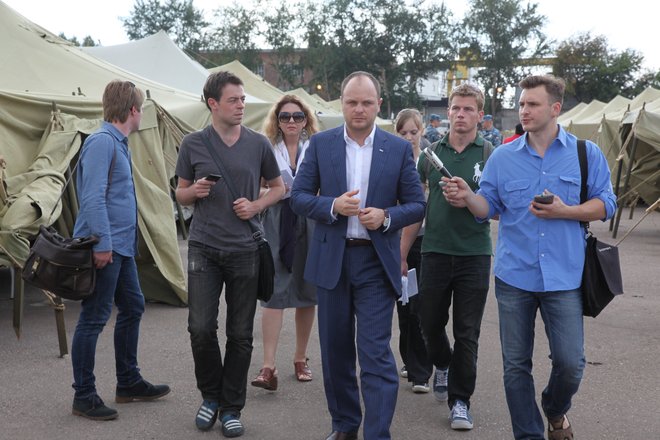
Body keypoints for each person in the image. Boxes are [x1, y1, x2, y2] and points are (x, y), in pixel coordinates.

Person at [443, 74, 617, 440]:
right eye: (521, 103)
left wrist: (565, 211)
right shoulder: (503, 156)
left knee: (571, 363)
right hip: (514, 276)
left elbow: (607, 204)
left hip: (565, 276)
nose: (524, 110)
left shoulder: (585, 154)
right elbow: (488, 208)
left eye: (532, 104)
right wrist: (467, 196)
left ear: (555, 109)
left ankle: (554, 408)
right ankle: (529, 434)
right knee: (515, 366)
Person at [290, 71, 425, 440]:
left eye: (366, 102)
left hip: (375, 262)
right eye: (352, 102)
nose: (359, 109)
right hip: (332, 261)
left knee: (375, 354)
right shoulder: (321, 144)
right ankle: (345, 426)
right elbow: (298, 197)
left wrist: (387, 216)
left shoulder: (397, 149)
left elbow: (417, 205)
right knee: (335, 353)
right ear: (342, 104)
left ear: (378, 105)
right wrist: (331, 205)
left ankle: (377, 434)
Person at [175, 71, 285, 438]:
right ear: (213, 104)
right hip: (204, 247)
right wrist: (194, 192)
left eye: (242, 99)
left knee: (240, 334)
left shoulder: (258, 144)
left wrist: (256, 206)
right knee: (200, 328)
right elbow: (180, 194)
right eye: (233, 100)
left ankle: (231, 406)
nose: (241, 105)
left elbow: (279, 188)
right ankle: (211, 396)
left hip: (244, 249)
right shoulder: (193, 143)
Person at [71, 80, 170, 421]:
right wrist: (102, 244)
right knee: (94, 318)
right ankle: (84, 395)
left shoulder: (117, 143)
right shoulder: (102, 142)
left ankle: (128, 382)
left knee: (133, 306)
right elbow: (93, 197)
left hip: (120, 248)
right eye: (141, 109)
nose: (142, 115)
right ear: (132, 110)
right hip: (107, 247)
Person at [400, 83, 493, 431]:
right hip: (435, 251)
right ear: (447, 112)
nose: (461, 114)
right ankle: (443, 363)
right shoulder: (430, 154)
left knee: (467, 332)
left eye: (469, 109)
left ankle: (460, 401)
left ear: (480, 115)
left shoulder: (490, 153)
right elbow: (416, 207)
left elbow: (495, 207)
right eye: (456, 108)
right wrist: (402, 252)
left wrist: (468, 199)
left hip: (474, 254)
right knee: (427, 321)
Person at [250, 95, 319, 391]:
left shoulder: (315, 147)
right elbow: (252, 185)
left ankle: (300, 358)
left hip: (309, 218)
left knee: (307, 290)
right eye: (285, 116)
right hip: (276, 219)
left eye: (297, 116)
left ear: (306, 120)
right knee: (273, 290)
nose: (291, 121)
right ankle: (268, 366)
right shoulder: (266, 147)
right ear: (277, 121)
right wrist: (274, 189)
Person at [392, 109, 433, 394]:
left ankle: (421, 371)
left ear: (422, 132)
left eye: (413, 132)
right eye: (403, 132)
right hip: (396, 241)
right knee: (404, 307)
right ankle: (409, 359)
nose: (408, 137)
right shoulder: (392, 160)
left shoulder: (430, 161)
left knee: (420, 307)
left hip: (424, 241)